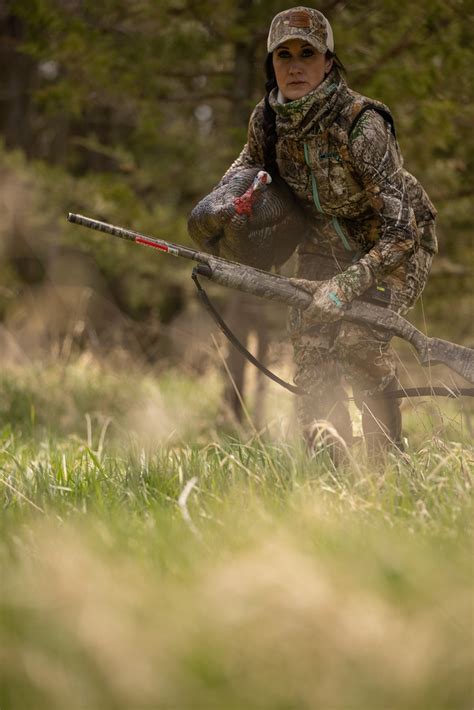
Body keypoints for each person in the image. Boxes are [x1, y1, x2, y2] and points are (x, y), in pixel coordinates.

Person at [195, 6, 438, 460]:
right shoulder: (266, 121)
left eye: (308, 53)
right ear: (272, 64)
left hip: (396, 246)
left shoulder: (361, 124)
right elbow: (237, 180)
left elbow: (402, 230)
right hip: (323, 246)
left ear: (328, 61)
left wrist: (346, 287)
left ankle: (387, 466)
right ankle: (331, 474)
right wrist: (217, 222)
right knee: (310, 346)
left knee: (358, 340)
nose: (295, 65)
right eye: (283, 55)